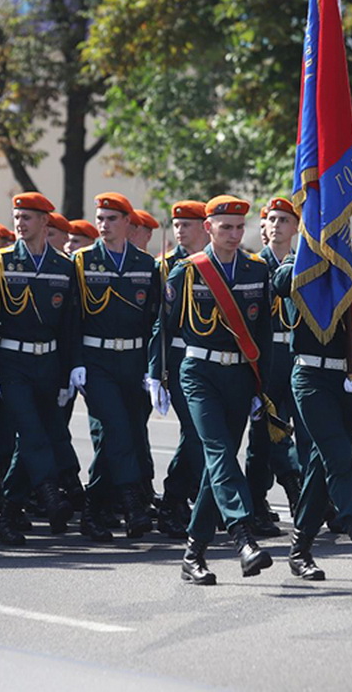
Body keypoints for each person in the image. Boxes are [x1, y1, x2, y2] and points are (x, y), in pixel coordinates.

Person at [150, 195, 275, 585]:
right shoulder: (187, 271)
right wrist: (157, 373)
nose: (235, 235)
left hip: (239, 376)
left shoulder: (257, 270)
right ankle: (242, 535)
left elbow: (264, 335)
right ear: (209, 228)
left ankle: (193, 554)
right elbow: (164, 326)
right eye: (226, 228)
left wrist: (262, 387)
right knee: (218, 450)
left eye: (240, 228)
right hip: (198, 372)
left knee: (216, 464)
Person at [273, 242, 352, 580]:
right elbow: (280, 283)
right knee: (338, 456)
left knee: (322, 466)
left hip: (350, 378)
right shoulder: (299, 262)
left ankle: (299, 549)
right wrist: (318, 260)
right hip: (311, 376)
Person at [0, 192, 83, 545]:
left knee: (40, 434)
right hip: (12, 361)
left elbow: (70, 324)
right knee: (29, 430)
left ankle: (10, 512)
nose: (20, 224)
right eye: (17, 217)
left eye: (28, 218)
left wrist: (71, 370)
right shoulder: (0, 262)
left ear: (45, 222)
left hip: (49, 361)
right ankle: (50, 493)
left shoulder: (63, 266)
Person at [71, 192, 159, 541]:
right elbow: (72, 318)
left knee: (127, 433)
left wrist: (152, 367)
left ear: (127, 222)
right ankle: (132, 502)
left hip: (134, 360)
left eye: (111, 219)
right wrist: (75, 363)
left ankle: (93, 509)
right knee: (117, 427)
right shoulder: (82, 261)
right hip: (97, 361)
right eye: (100, 218)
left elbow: (152, 319)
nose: (104, 225)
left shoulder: (144, 263)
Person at [154, 200, 210, 538]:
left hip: (210, 360)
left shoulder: (216, 263)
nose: (179, 230)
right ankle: (174, 497)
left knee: (202, 435)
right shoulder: (164, 266)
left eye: (187, 224)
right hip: (177, 360)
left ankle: (187, 497)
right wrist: (155, 372)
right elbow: (156, 324)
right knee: (195, 430)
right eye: (176, 225)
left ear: (204, 227)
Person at [248, 197, 303, 534]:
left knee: (301, 432)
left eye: (285, 220)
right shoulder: (254, 266)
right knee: (263, 434)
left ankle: (302, 495)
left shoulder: (305, 263)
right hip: (266, 359)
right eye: (272, 220)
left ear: (296, 228)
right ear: (264, 227)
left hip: (298, 357)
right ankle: (258, 502)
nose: (278, 225)